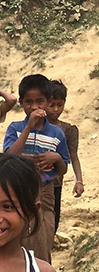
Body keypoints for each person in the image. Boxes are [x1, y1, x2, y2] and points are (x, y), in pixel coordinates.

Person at [3, 74, 70, 263]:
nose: (34, 107)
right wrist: (28, 128)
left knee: (43, 238)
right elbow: (9, 157)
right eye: (29, 102)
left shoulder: (57, 133)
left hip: (45, 192)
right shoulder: (15, 129)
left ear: (48, 102)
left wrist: (55, 157)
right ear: (21, 103)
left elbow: (63, 168)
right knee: (17, 238)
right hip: (18, 190)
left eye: (40, 101)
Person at [47, 79, 84, 232]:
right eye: (52, 104)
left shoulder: (68, 130)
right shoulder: (34, 126)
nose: (56, 109)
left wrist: (79, 181)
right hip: (34, 182)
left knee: (53, 223)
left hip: (56, 183)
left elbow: (74, 157)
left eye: (60, 105)